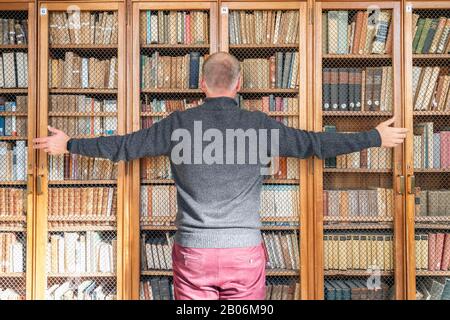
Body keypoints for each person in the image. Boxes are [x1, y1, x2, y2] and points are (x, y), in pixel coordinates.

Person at [33, 52, 407, 300]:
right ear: (239, 84)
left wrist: (69, 145)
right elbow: (314, 144)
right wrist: (374, 136)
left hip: (193, 252)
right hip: (243, 253)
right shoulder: (258, 125)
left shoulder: (179, 124)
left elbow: (124, 147)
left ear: (202, 85)